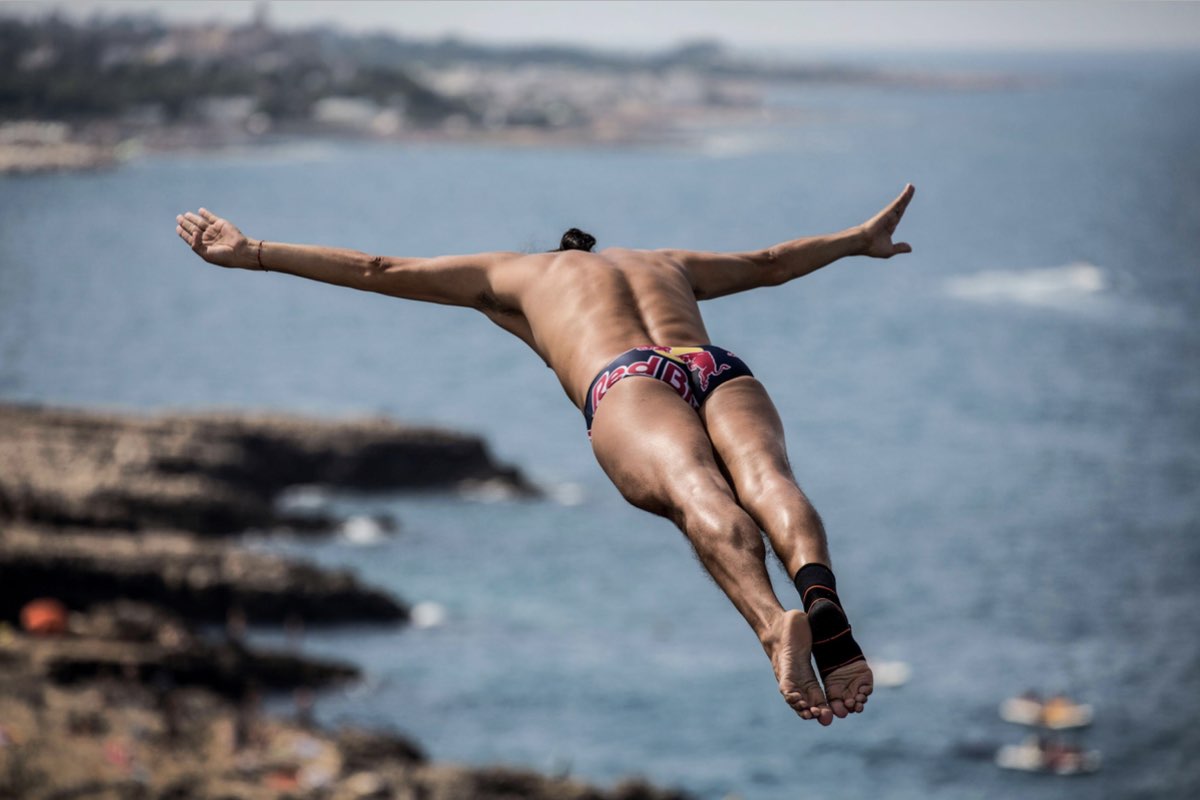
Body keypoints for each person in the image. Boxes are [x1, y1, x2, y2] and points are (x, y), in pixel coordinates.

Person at [176, 183, 915, 725]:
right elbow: (770, 261)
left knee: (698, 496)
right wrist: (858, 238)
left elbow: (378, 267)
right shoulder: (662, 262)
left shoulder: (518, 277)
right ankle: (826, 609)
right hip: (715, 364)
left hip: (628, 383)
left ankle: (769, 622)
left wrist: (256, 253)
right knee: (768, 479)